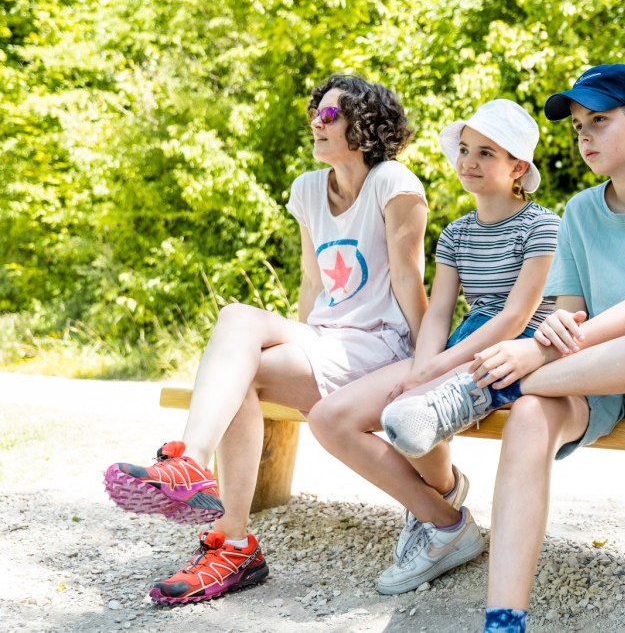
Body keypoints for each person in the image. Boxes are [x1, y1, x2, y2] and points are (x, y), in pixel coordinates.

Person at [381, 64, 625, 633]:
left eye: (598, 120)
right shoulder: (577, 210)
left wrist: (537, 355)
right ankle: (504, 621)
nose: (584, 136)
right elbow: (574, 312)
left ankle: (480, 390)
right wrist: (547, 343)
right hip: (593, 374)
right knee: (528, 417)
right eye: (577, 126)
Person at [103, 74, 429, 604]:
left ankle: (231, 543)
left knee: (241, 374)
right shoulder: (306, 189)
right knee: (236, 321)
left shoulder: (395, 184)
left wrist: (425, 370)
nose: (315, 124)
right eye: (314, 114)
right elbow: (311, 281)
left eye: (329, 116)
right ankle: (192, 462)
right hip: (327, 338)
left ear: (364, 125)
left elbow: (408, 281)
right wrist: (295, 343)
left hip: (380, 348)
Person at [306, 98, 559, 595]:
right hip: (461, 343)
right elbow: (439, 312)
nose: (469, 162)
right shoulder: (458, 233)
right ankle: (444, 510)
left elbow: (516, 316)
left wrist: (436, 369)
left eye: (487, 153)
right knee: (328, 418)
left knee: (409, 413)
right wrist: (421, 367)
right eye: (465, 150)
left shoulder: (543, 226)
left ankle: (440, 526)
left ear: (518, 168)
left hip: (514, 350)